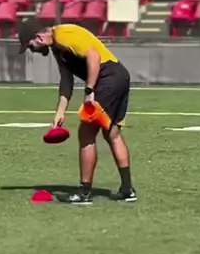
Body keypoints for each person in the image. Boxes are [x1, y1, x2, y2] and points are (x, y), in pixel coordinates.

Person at [18, 18, 136, 205]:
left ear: (39, 37)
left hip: (108, 78)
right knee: (112, 134)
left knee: (86, 133)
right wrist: (60, 112)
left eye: (30, 46)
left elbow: (93, 56)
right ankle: (127, 190)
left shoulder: (64, 35)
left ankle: (84, 193)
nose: (32, 50)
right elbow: (66, 80)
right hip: (118, 76)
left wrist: (89, 91)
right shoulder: (58, 48)